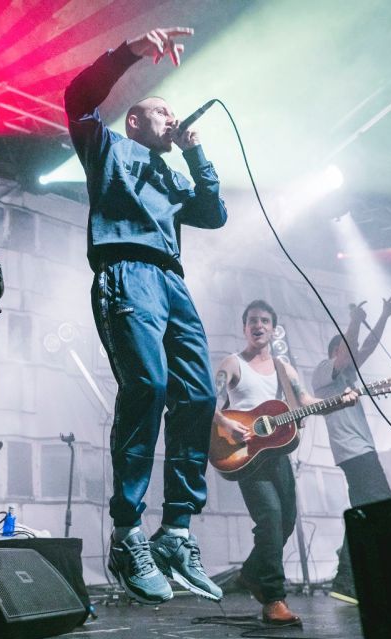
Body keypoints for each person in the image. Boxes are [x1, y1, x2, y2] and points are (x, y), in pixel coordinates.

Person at [64, 27, 227, 604]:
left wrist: (195, 152)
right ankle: (127, 531)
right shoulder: (107, 146)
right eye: (163, 113)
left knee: (199, 394)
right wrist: (130, 51)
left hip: (172, 282)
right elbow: (77, 97)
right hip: (125, 271)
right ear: (135, 120)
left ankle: (176, 530)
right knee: (149, 387)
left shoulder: (171, 173)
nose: (171, 119)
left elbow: (214, 213)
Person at [214, 300, 356, 626]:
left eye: (264, 320)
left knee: (286, 522)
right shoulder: (233, 363)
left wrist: (340, 402)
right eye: (253, 320)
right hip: (246, 454)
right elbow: (209, 399)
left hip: (277, 453)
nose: (258, 325)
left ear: (273, 329)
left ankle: (252, 573)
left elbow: (305, 402)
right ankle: (273, 599)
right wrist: (226, 423)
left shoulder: (283, 368)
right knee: (271, 518)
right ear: (244, 327)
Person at [311, 295, 391, 605]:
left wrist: (384, 315)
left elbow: (368, 347)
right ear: (336, 352)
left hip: (361, 451)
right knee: (383, 507)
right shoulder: (324, 372)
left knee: (366, 512)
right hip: (354, 452)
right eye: (346, 347)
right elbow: (350, 350)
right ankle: (352, 578)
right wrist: (354, 321)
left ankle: (350, 579)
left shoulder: (348, 375)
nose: (353, 350)